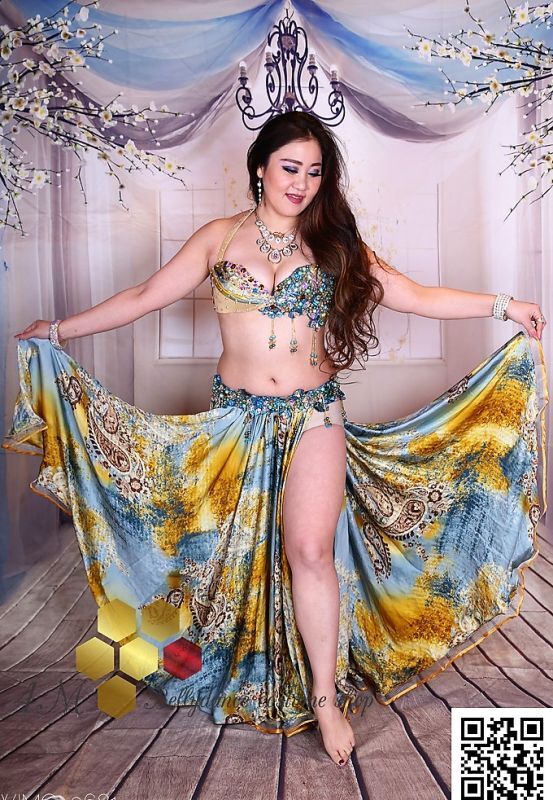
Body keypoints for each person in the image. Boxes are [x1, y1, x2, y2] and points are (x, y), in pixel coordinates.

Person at [5, 111, 548, 768]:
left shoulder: (332, 242)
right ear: (260, 167)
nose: (301, 183)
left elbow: (411, 293)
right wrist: (56, 330)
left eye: (314, 172)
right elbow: (145, 295)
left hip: (314, 413)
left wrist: (502, 306)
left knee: (309, 552)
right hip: (237, 421)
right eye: (290, 167)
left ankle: (325, 698)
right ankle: (244, 656)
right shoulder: (218, 237)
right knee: (230, 554)